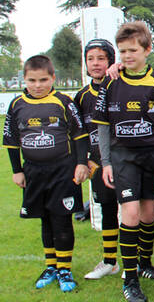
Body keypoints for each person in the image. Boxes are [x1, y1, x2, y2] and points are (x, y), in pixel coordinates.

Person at [93, 21, 154, 302]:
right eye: (122, 51)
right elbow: (103, 125)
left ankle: (144, 264)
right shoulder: (111, 79)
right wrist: (106, 162)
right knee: (129, 215)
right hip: (122, 157)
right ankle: (129, 280)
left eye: (132, 50)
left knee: (148, 215)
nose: (127, 56)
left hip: (152, 157)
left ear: (147, 49)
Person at [3, 55, 89, 292]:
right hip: (33, 172)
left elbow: (80, 135)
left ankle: (65, 269)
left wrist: (82, 163)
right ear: (25, 79)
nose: (38, 85)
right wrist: (17, 171)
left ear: (53, 78)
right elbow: (11, 141)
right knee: (45, 218)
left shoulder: (64, 101)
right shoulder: (16, 104)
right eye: (32, 80)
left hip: (63, 171)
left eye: (43, 79)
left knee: (62, 219)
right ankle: (51, 266)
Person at [74, 39, 121, 280]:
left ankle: (138, 263)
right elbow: (78, 133)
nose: (95, 63)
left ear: (111, 61)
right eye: (91, 59)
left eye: (101, 58)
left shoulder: (122, 85)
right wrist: (85, 160)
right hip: (99, 165)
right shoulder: (82, 96)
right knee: (108, 209)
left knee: (137, 211)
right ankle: (110, 261)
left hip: (126, 160)